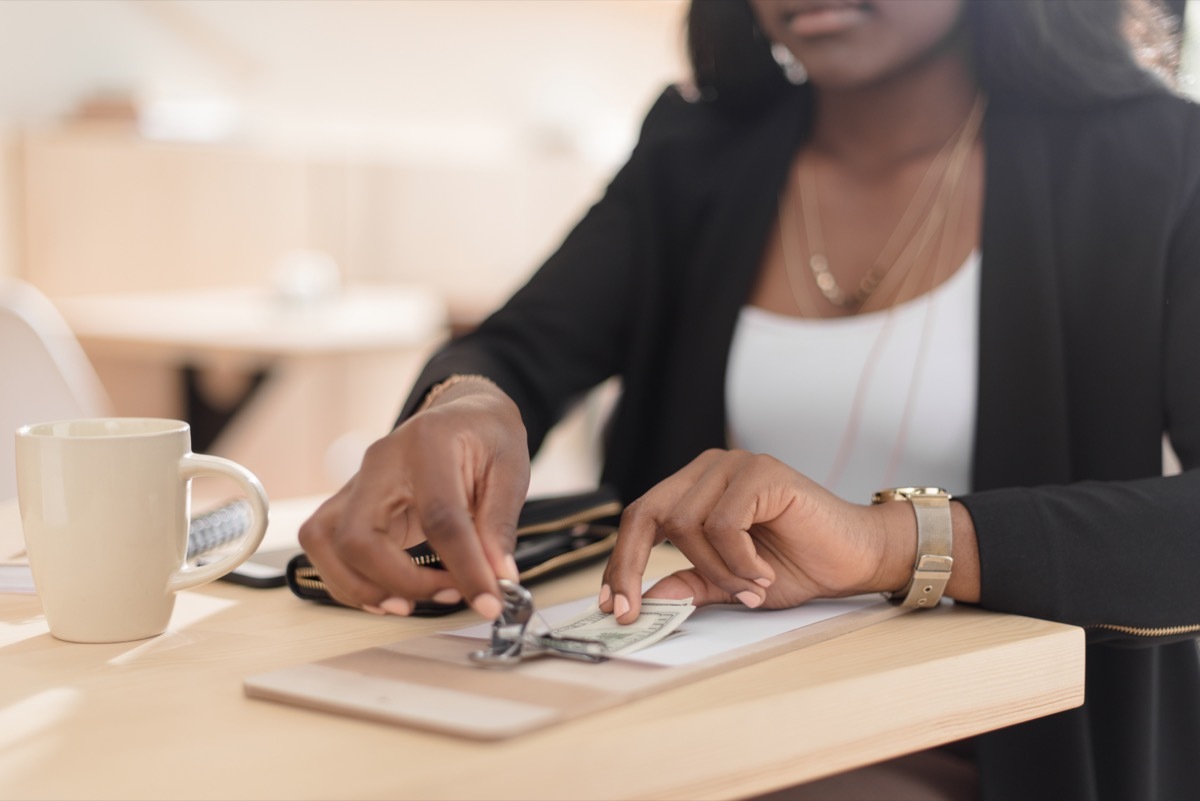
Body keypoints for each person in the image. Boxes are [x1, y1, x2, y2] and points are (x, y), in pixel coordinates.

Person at [298, 0, 1200, 797]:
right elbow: (513, 348)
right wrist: (466, 400)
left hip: (989, 742)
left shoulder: (1156, 159)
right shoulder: (696, 154)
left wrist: (888, 542)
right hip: (674, 712)